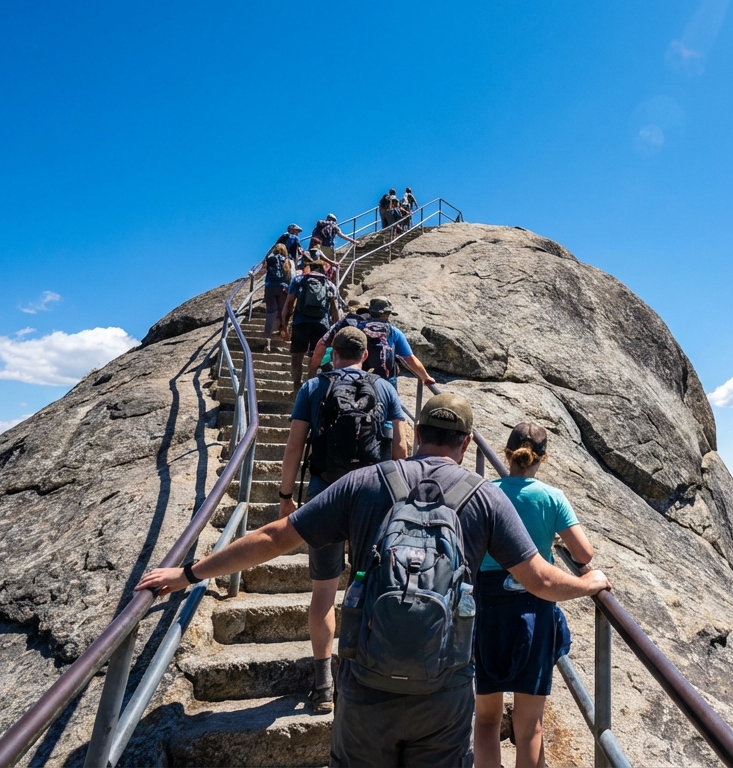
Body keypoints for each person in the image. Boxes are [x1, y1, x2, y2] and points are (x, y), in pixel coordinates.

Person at [137, 393, 611, 767]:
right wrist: (590, 584)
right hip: (443, 687)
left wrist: (188, 573)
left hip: (366, 678)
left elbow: (275, 535)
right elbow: (542, 581)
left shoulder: (365, 482)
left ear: (417, 432)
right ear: (466, 443)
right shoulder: (484, 498)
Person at [277, 326, 408, 712]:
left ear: (334, 353)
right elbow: (400, 447)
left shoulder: (313, 388)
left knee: (324, 592)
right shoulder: (385, 388)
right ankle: (375, 672)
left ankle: (322, 685)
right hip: (376, 493)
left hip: (325, 492)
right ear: (366, 355)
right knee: (379, 583)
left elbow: (294, 446)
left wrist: (286, 497)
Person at [474, 422, 595, 768]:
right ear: (543, 458)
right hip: (533, 609)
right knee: (529, 728)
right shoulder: (551, 497)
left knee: (485, 719)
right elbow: (584, 554)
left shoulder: (486, 492)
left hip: (488, 608)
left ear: (507, 454)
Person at [315, 297, 435, 389]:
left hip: (351, 377)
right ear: (384, 313)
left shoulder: (353, 324)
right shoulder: (393, 332)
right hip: (383, 381)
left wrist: (312, 370)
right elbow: (409, 358)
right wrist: (425, 377)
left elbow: (322, 344)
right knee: (387, 414)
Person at [282, 260, 337, 391]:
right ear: (323, 269)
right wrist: (335, 328)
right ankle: (310, 388)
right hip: (321, 325)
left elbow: (289, 303)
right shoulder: (329, 284)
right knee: (316, 358)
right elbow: (334, 309)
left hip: (300, 323)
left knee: (297, 356)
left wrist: (284, 324)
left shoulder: (299, 280)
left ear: (309, 268)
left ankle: (296, 387)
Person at [259, 244, 293, 352]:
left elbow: (262, 271)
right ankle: (283, 335)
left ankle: (267, 340)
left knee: (270, 313)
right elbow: (291, 276)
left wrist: (251, 273)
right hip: (283, 288)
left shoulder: (270, 259)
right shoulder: (288, 261)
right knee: (283, 313)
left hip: (270, 288)